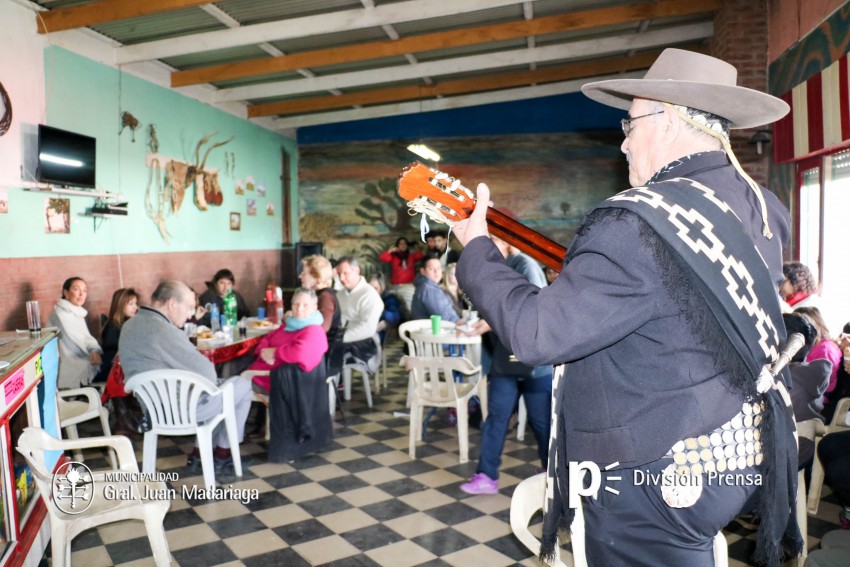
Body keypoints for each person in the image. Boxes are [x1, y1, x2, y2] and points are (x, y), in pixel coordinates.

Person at [452, 48, 799, 566]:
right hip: (739, 451)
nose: (623, 140)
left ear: (669, 120)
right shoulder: (761, 206)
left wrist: (477, 247)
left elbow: (536, 334)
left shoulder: (637, 221)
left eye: (630, 122)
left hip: (654, 470)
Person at [119, 280, 254, 470]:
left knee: (219, 390)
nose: (191, 314)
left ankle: (201, 454)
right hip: (179, 411)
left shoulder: (130, 325)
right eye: (190, 307)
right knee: (241, 385)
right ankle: (223, 453)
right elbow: (207, 373)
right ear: (172, 303)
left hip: (151, 408)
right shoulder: (164, 330)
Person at [460, 236, 552, 495]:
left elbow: (532, 306)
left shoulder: (526, 265)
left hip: (534, 360)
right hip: (507, 357)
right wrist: (481, 320)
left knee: (541, 421)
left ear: (506, 242)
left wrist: (487, 324)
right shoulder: (503, 266)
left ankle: (552, 472)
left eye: (492, 243)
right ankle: (486, 476)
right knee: (497, 417)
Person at [246, 288, 328, 393]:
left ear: (314, 308)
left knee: (232, 386)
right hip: (261, 370)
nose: (299, 308)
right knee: (230, 370)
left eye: (305, 305)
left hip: (274, 381)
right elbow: (267, 339)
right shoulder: (288, 325)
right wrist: (263, 353)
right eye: (296, 304)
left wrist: (275, 353)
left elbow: (300, 353)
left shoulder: (314, 331)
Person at [48, 277, 103, 389]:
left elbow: (86, 338)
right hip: (73, 364)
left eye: (85, 290)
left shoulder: (75, 312)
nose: (81, 294)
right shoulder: (61, 315)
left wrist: (94, 349)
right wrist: (93, 354)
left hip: (83, 358)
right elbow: (75, 345)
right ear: (66, 293)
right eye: (77, 289)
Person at [336, 257, 383, 368]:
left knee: (321, 349)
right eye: (339, 274)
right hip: (342, 338)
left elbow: (368, 328)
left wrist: (339, 338)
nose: (341, 278)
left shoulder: (369, 295)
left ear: (356, 270)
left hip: (364, 343)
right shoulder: (340, 295)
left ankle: (332, 382)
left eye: (345, 273)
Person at [796, 306, 843, 405]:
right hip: (806, 389)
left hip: (814, 397)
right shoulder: (817, 344)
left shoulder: (826, 350)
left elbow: (817, 384)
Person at [94, 287, 139, 383]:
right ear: (120, 305)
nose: (136, 307)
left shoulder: (128, 323)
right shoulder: (113, 326)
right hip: (112, 373)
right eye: (131, 304)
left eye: (135, 303)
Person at [299, 254, 341, 336]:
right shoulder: (319, 295)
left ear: (317, 277)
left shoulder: (325, 297)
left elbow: (321, 328)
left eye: (304, 273)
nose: (300, 276)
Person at [411, 254, 460, 322]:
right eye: (431, 268)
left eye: (439, 268)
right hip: (435, 330)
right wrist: (461, 323)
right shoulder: (428, 289)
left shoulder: (430, 287)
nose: (436, 271)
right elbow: (445, 317)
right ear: (422, 271)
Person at [368, 273, 401, 343]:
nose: (371, 291)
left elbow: (395, 317)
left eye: (375, 288)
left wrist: (380, 312)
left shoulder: (389, 298)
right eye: (369, 287)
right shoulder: (363, 298)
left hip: (378, 334)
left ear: (381, 289)